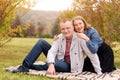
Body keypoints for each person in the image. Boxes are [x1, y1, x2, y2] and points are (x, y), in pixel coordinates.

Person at [12, 19, 102, 75]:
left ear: (72, 28)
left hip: (71, 66)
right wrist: (51, 64)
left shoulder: (80, 38)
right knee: (41, 42)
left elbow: (92, 55)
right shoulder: (59, 37)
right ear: (60, 29)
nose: (65, 31)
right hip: (59, 59)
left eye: (68, 28)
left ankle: (34, 66)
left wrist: (99, 72)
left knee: (54, 62)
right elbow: (52, 51)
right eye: (63, 29)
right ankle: (25, 66)